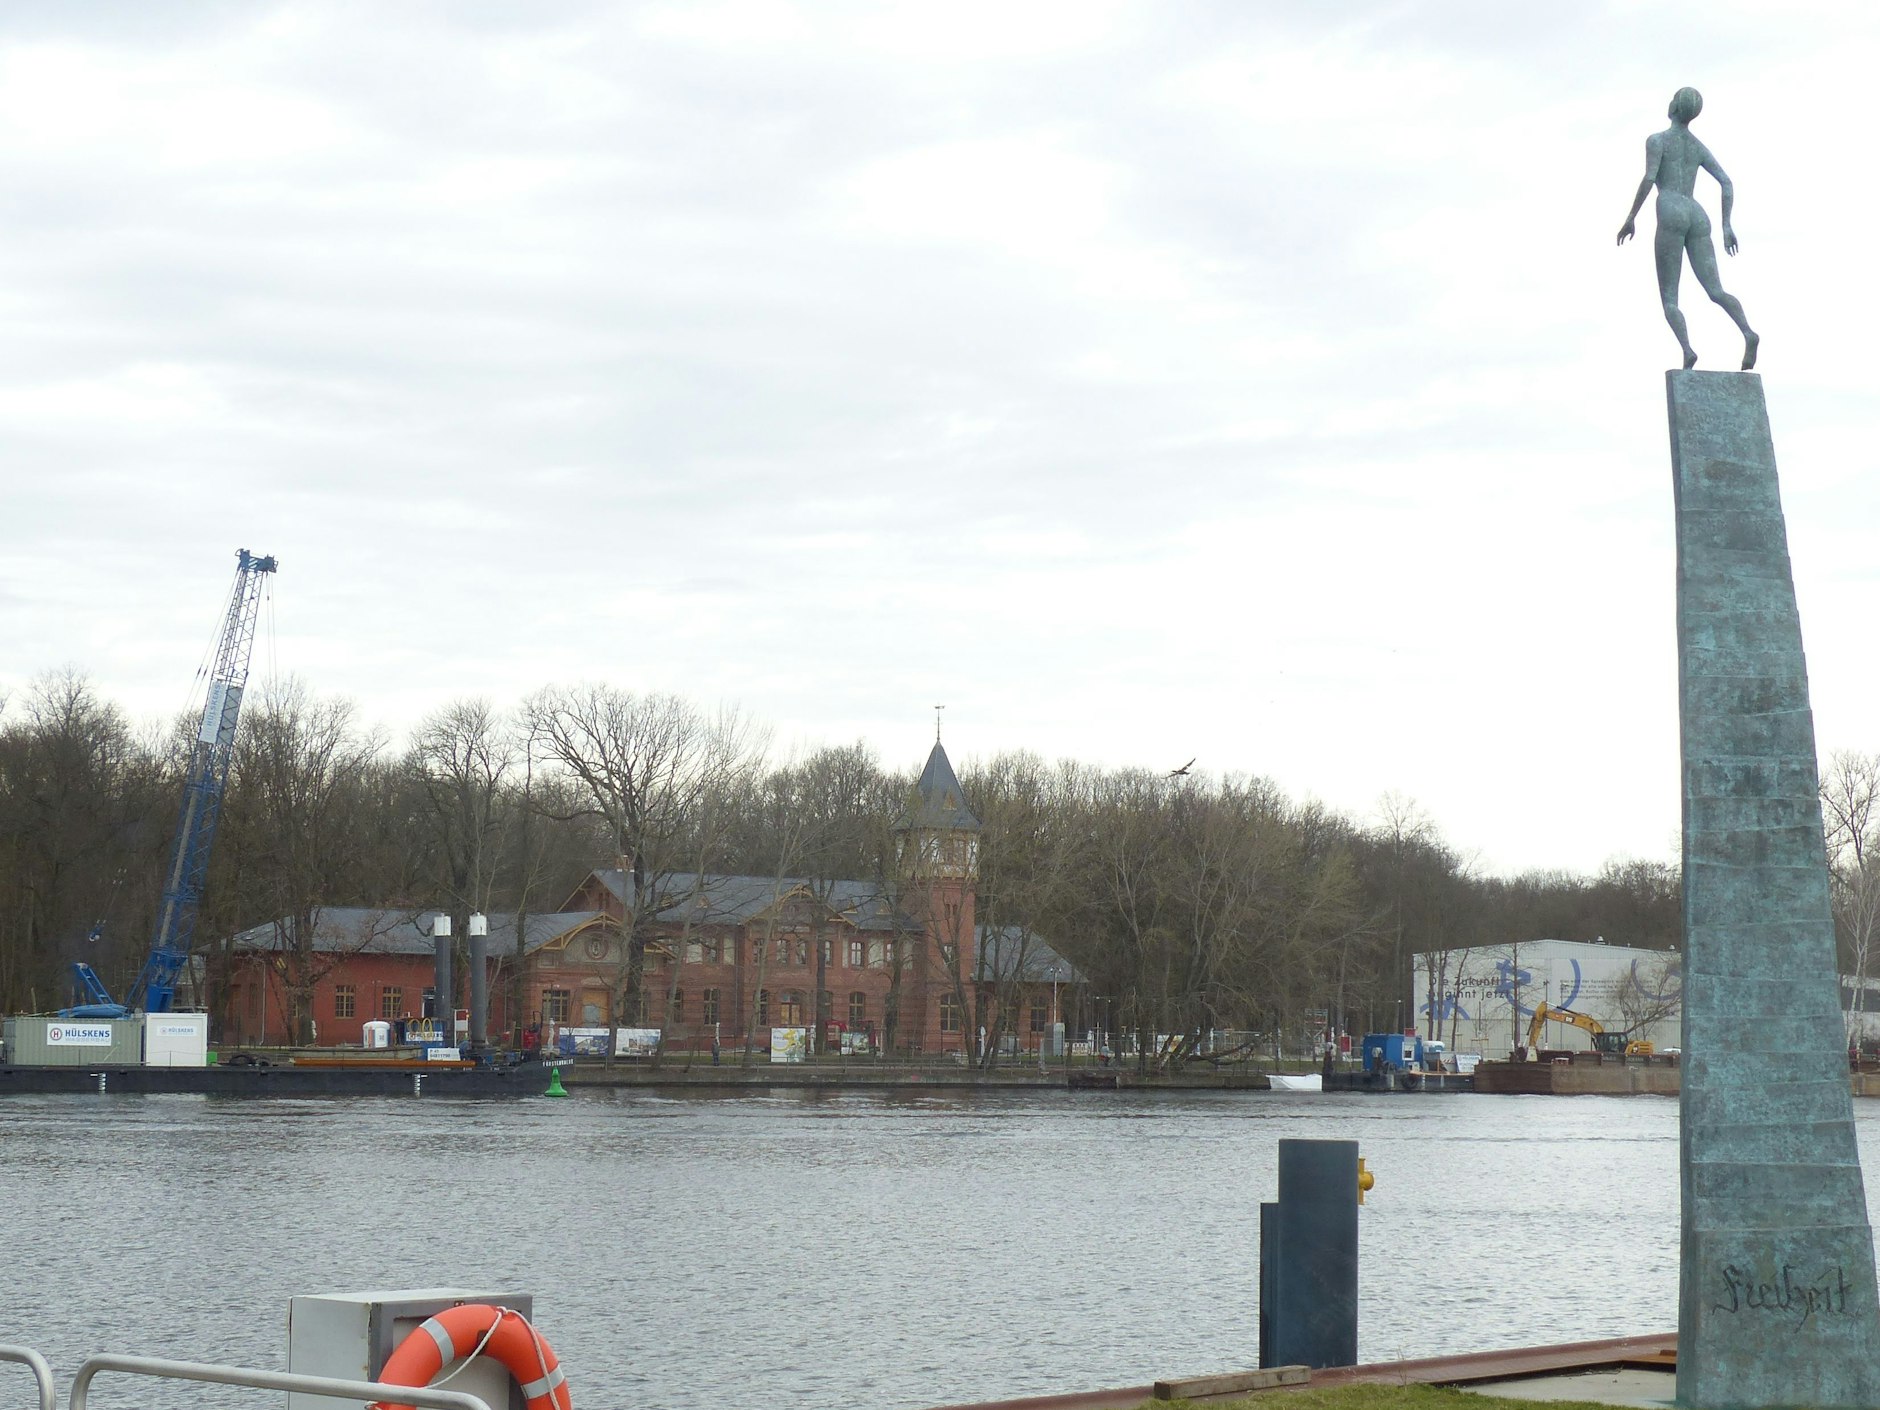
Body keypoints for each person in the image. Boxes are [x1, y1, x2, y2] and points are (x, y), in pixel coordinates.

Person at [1616, 87, 1758, 370]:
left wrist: (1631, 216)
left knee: (1670, 297)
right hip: (1697, 213)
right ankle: (1747, 332)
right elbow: (1726, 182)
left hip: (1670, 209)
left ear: (1673, 107)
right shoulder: (1697, 146)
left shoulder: (1657, 141)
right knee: (1716, 291)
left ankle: (1688, 349)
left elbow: (1648, 178)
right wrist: (1725, 225)